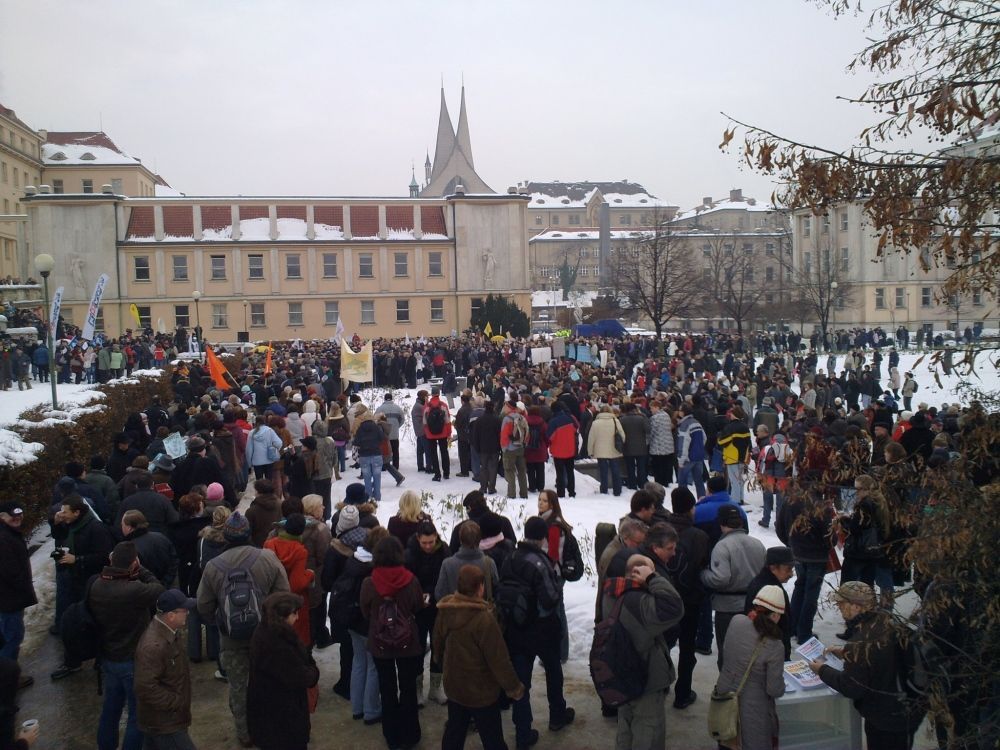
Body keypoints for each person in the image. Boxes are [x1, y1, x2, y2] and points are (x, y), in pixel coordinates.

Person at [196, 512, 290, 748]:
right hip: (267, 636)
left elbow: (203, 606)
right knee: (269, 680)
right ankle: (270, 725)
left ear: (225, 536)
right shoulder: (267, 558)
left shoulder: (212, 567)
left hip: (232, 640)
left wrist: (222, 622)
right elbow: (284, 596)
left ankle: (245, 733)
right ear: (248, 534)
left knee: (238, 687)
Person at [808, 582, 924, 750]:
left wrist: (822, 670)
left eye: (842, 604)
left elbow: (852, 687)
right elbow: (881, 657)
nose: (839, 608)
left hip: (887, 719)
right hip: (907, 709)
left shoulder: (861, 641)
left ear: (856, 606)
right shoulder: (887, 621)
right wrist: (846, 652)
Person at [501, 516, 575, 750]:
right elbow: (550, 597)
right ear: (544, 537)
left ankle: (523, 732)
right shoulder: (540, 562)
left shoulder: (510, 557)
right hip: (542, 629)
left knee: (521, 682)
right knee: (553, 671)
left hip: (515, 628)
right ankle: (557, 715)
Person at [433, 564, 525, 750]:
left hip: (455, 686)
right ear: (480, 587)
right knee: (492, 737)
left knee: (454, 731)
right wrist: (514, 687)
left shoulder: (446, 610)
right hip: (480, 691)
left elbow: (438, 641)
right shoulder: (484, 619)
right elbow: (498, 659)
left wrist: (441, 662)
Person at [598, 553, 684, 750]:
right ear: (638, 573)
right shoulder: (639, 601)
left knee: (625, 727)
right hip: (645, 678)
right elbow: (675, 608)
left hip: (621, 674)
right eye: (650, 570)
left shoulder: (612, 591)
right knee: (648, 733)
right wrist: (653, 579)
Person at [89, 541, 166, 750]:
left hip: (109, 656)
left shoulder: (96, 585)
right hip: (132, 658)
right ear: (133, 564)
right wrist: (140, 569)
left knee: (111, 708)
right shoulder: (133, 590)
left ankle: (105, 746)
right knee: (137, 714)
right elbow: (158, 588)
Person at [360, 536, 426, 750]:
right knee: (408, 688)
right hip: (408, 642)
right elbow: (417, 606)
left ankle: (392, 735)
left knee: (387, 688)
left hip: (380, 643)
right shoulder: (411, 579)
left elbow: (365, 610)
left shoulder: (370, 582)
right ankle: (410, 733)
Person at [50, 493, 115, 678]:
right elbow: (60, 537)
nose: (61, 514)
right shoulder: (69, 525)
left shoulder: (96, 528)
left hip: (89, 581)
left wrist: (77, 559)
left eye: (65, 511)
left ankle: (101, 658)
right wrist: (55, 523)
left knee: (96, 620)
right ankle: (72, 661)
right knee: (71, 622)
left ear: (77, 513)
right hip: (72, 579)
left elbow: (104, 556)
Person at [715, 585, 787, 750]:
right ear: (775, 615)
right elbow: (774, 690)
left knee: (727, 742)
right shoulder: (775, 645)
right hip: (752, 712)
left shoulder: (736, 621)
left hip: (725, 701)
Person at [247, 592, 320, 750]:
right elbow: (303, 677)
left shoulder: (265, 631)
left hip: (268, 713)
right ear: (283, 616)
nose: (298, 617)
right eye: (295, 613)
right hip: (281, 719)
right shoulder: (277, 645)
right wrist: (313, 671)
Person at [700, 504, 766, 669]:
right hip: (753, 606)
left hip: (728, 608)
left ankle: (726, 689)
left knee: (728, 652)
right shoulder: (758, 544)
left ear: (721, 523)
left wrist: (703, 574)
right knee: (750, 649)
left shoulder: (722, 546)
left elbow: (720, 579)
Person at [662, 488, 709, 709]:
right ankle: (683, 692)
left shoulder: (659, 531)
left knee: (662, 644)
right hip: (690, 600)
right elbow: (703, 565)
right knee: (687, 648)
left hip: (663, 598)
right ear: (691, 508)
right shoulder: (699, 536)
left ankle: (660, 684)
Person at [134, 589, 197, 750]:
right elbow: (144, 687)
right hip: (165, 724)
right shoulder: (154, 646)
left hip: (162, 721)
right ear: (171, 615)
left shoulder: (169, 633)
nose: (188, 613)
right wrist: (177, 702)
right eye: (184, 610)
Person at [404, 520, 451, 707]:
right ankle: (417, 690)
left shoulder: (444, 551)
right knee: (418, 648)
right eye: (424, 543)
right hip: (417, 610)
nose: (428, 546)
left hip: (438, 607)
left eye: (431, 542)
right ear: (418, 539)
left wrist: (432, 593)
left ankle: (435, 687)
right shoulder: (409, 554)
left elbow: (444, 577)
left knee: (438, 647)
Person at [0, 502, 37, 689]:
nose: (17, 519)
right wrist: (23, 586)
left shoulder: (9, 534)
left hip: (10, 598)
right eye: (12, 516)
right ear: (2, 516)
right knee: (11, 638)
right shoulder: (4, 539)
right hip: (8, 600)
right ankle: (8, 678)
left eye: (19, 515)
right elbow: (10, 572)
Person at [263, 513, 314, 646]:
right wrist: (310, 574)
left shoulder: (269, 545)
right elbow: (297, 584)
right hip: (292, 602)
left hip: (272, 598)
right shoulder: (300, 551)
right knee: (296, 639)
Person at [744, 547, 794, 659]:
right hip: (769, 654)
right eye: (788, 569)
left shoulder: (762, 581)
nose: (791, 574)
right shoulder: (771, 590)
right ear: (773, 567)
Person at [436, 522, 498, 602]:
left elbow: (439, 594)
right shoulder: (489, 563)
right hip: (482, 612)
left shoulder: (447, 564)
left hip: (455, 612)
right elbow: (496, 591)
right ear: (479, 539)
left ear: (460, 540)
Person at [121, 510, 179, 588]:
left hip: (148, 590)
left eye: (122, 525)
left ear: (129, 528)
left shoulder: (130, 548)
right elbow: (174, 561)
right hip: (169, 586)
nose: (121, 527)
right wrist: (166, 582)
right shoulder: (161, 537)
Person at [587, 405, 625, 496]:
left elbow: (591, 438)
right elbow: (622, 435)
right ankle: (617, 490)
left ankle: (604, 490)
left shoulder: (596, 423)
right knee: (615, 470)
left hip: (600, 450)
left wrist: (590, 451)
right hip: (614, 450)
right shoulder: (615, 421)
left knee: (603, 471)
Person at [546, 402, 579, 499]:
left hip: (558, 451)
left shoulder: (553, 421)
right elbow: (576, 428)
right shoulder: (570, 418)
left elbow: (549, 437)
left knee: (560, 473)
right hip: (570, 449)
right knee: (570, 472)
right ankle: (572, 492)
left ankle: (561, 493)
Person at [352, 408, 385, 501]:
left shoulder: (360, 428)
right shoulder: (377, 427)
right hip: (376, 454)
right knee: (377, 476)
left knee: (366, 477)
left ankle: (368, 497)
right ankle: (377, 496)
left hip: (364, 456)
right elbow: (382, 438)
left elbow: (356, 442)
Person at [675, 404, 707, 498]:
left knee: (682, 482)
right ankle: (702, 500)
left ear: (683, 412)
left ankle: (684, 503)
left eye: (680, 410)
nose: (679, 411)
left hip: (688, 458)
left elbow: (683, 443)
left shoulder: (684, 425)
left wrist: (681, 459)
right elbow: (704, 438)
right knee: (699, 481)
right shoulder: (696, 422)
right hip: (699, 456)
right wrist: (699, 448)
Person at [499, 401, 529, 499]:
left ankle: (511, 494)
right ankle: (524, 493)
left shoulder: (507, 419)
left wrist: (504, 448)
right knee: (522, 471)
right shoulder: (522, 417)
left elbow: (504, 435)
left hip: (510, 449)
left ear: (509, 407)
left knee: (509, 470)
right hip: (520, 448)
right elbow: (527, 433)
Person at [424, 386, 453, 481]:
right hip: (443, 432)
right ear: (439, 394)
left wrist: (427, 432)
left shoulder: (427, 406)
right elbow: (448, 421)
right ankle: (446, 473)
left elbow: (424, 422)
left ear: (431, 394)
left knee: (433, 453)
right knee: (444, 452)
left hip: (431, 434)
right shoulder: (443, 405)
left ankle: (437, 474)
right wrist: (449, 433)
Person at [245, 417, 283, 481]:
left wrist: (249, 463)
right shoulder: (269, 430)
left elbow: (249, 450)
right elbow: (279, 443)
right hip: (269, 459)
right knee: (269, 481)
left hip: (256, 461)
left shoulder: (251, 433)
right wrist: (275, 449)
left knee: (259, 482)